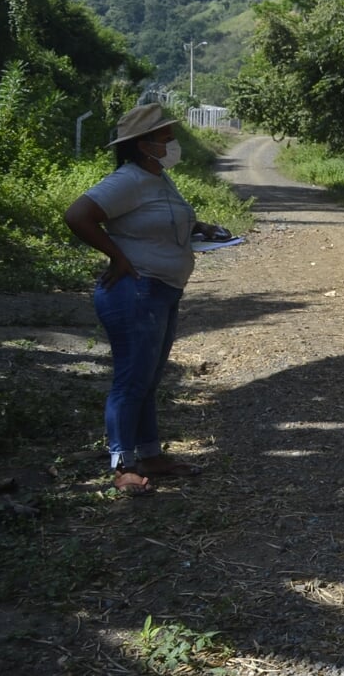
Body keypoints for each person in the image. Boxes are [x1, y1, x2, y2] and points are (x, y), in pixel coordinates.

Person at [64, 103, 222, 495]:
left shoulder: (159, 179)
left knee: (148, 381)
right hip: (135, 293)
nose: (173, 144)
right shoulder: (128, 180)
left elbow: (158, 219)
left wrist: (199, 228)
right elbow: (77, 215)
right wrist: (117, 256)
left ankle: (150, 455)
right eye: (165, 139)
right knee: (131, 381)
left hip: (162, 291)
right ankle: (123, 465)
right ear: (142, 145)